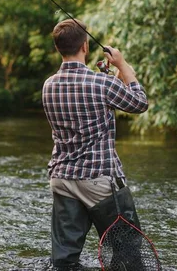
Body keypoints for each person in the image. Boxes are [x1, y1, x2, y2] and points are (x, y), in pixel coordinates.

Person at [41, 19, 149, 270]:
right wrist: (121, 65)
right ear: (85, 47)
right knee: (128, 257)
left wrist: (114, 77)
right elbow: (139, 103)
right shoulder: (102, 84)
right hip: (100, 182)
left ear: (59, 48)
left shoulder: (48, 86)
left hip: (62, 179)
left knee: (63, 263)